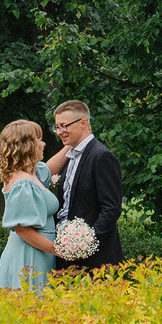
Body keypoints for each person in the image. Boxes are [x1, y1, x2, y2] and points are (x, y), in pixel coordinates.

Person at [47, 100, 122, 271]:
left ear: (83, 123)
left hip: (95, 260)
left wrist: (86, 243)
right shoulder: (70, 156)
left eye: (64, 126)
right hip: (65, 256)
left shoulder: (102, 157)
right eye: (57, 127)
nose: (60, 132)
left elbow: (111, 209)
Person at [0, 120, 57, 294]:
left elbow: (50, 168)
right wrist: (61, 251)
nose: (43, 144)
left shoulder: (32, 174)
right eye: (39, 140)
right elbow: (22, 230)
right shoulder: (23, 183)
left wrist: (77, 141)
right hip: (29, 253)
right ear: (27, 146)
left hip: (38, 251)